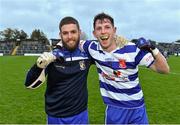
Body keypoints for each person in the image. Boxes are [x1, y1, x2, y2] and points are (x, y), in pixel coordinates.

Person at [80, 12, 170, 124]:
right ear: (94, 33)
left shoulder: (132, 49)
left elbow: (164, 69)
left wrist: (153, 49)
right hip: (114, 109)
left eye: (107, 27)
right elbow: (73, 41)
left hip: (137, 109)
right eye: (99, 28)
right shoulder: (92, 48)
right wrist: (56, 50)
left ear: (114, 30)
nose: (103, 31)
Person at [25, 16, 93, 124]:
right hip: (56, 117)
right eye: (65, 33)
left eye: (73, 32)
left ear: (79, 32)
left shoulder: (87, 54)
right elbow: (29, 84)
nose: (70, 36)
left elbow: (107, 51)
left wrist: (117, 41)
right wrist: (38, 66)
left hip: (80, 115)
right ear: (60, 35)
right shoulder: (52, 56)